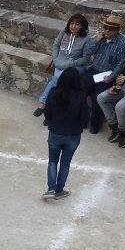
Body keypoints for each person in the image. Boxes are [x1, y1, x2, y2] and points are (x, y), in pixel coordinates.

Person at [42, 68, 89, 200]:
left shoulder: (53, 93)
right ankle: (59, 190)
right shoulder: (81, 96)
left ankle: (51, 189)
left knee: (52, 161)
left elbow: (47, 114)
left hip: (55, 133)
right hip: (73, 135)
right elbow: (85, 118)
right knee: (65, 163)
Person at [33, 13, 92, 117]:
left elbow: (85, 59)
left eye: (77, 24)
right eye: (72, 23)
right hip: (60, 62)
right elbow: (56, 45)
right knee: (57, 78)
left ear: (82, 26)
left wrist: (70, 64)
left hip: (76, 65)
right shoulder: (64, 32)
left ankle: (44, 104)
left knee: (58, 78)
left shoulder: (86, 39)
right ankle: (49, 106)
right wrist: (55, 59)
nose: (73, 26)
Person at [81, 13, 125, 133]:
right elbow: (86, 53)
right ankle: (82, 118)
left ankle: (94, 124)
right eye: (105, 28)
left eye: (111, 29)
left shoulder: (123, 45)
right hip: (94, 70)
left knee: (97, 97)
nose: (107, 31)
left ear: (117, 30)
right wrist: (96, 41)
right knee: (78, 88)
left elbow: (121, 65)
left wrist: (111, 77)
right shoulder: (100, 38)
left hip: (107, 75)